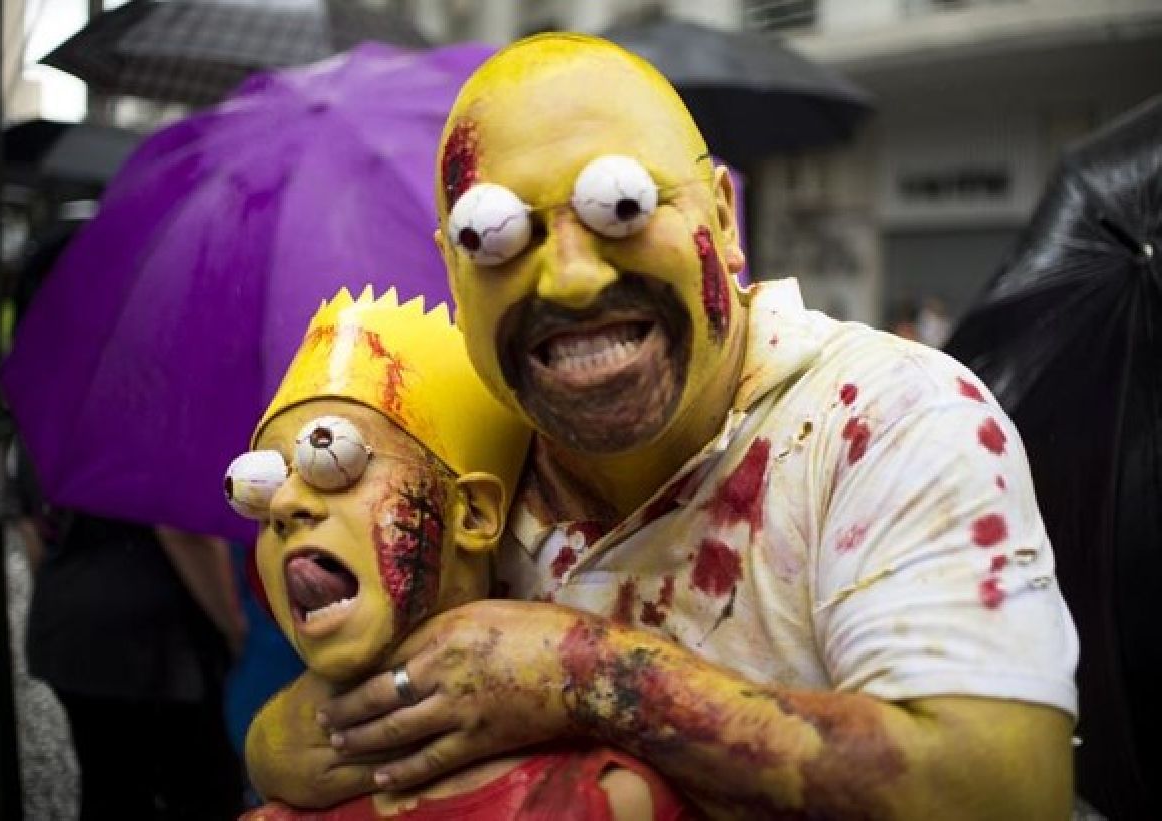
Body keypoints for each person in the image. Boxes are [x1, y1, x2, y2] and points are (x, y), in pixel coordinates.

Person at [249, 33, 1079, 818]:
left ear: (722, 218)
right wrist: (278, 739)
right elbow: (354, 706)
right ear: (455, 277)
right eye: (495, 235)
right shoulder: (466, 460)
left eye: (621, 206)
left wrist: (585, 671)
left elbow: (1004, 791)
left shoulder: (884, 416)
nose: (570, 279)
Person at [232, 287, 692, 818]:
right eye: (258, 485)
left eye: (331, 456)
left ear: (471, 513)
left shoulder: (607, 801)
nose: (283, 503)